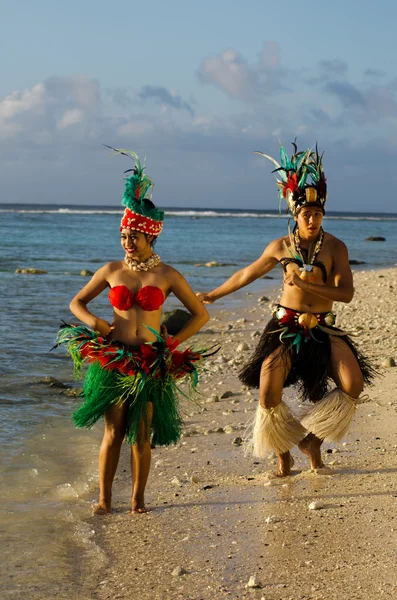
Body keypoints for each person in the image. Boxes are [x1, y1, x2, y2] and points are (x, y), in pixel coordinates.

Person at [197, 141, 375, 476]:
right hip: (285, 328)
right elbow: (247, 273)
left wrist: (306, 285)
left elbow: (346, 293)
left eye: (318, 214)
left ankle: (311, 441)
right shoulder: (280, 247)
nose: (313, 219)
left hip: (323, 327)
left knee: (353, 384)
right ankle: (283, 454)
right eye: (307, 214)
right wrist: (215, 295)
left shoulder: (336, 247)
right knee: (268, 393)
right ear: (295, 215)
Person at [56, 148, 209, 513]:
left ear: (150, 237)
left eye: (134, 236)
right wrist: (96, 323)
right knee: (113, 431)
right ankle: (105, 499)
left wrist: (172, 342)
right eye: (124, 235)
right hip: (115, 361)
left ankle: (138, 499)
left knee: (141, 434)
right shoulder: (111, 270)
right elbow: (76, 303)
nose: (127, 241)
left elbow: (199, 314)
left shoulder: (167, 275)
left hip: (151, 363)